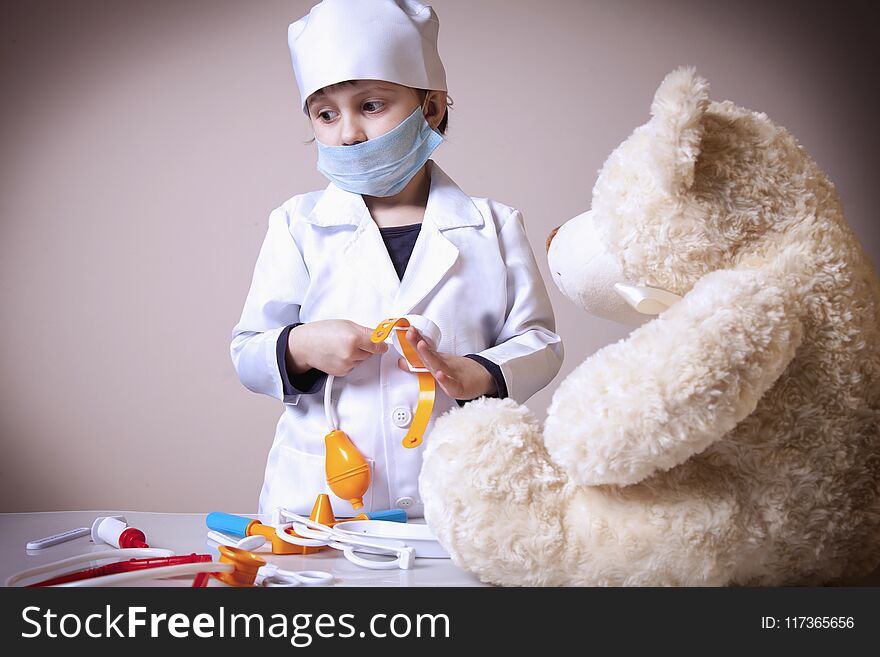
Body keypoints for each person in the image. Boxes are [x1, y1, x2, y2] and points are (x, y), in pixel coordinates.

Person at [230, 0, 563, 518]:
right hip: (322, 505)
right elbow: (249, 352)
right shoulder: (298, 225)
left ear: (431, 106)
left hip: (460, 501)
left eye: (371, 105)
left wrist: (475, 372)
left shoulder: (493, 225)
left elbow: (539, 342)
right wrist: (302, 345)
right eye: (326, 114)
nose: (348, 134)